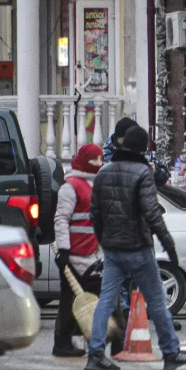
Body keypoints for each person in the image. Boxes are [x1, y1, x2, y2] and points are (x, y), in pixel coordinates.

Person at [86, 126, 186, 370]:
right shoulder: (142, 172)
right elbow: (152, 213)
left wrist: (103, 238)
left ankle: (95, 354)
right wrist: (168, 245)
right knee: (156, 301)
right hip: (138, 246)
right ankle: (171, 352)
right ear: (142, 148)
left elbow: (94, 212)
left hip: (112, 248)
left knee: (105, 300)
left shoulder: (104, 172)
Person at [51, 143, 123, 358]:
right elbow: (61, 219)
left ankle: (117, 341)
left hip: (96, 253)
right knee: (70, 302)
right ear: (84, 161)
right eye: (94, 160)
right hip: (75, 255)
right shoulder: (70, 187)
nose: (99, 164)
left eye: (101, 159)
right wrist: (63, 250)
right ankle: (63, 343)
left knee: (107, 296)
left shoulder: (98, 185)